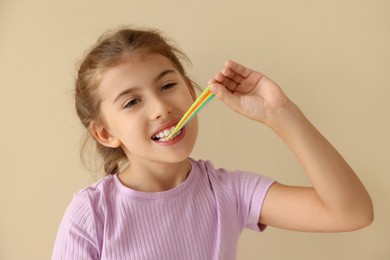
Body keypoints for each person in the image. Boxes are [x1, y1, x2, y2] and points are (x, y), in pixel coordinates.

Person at [52, 27, 373, 260]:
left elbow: (352, 212)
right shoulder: (92, 214)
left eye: (167, 85)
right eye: (132, 102)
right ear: (106, 133)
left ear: (193, 93)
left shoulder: (228, 193)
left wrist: (280, 113)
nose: (161, 108)